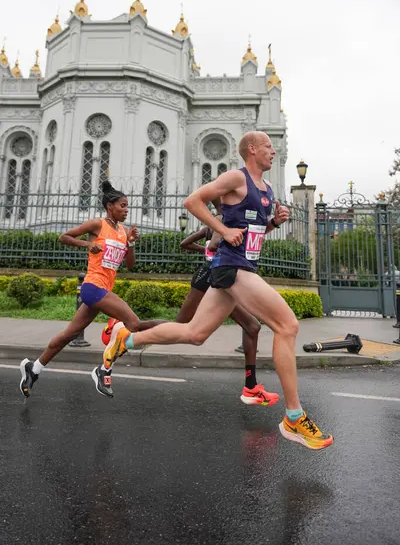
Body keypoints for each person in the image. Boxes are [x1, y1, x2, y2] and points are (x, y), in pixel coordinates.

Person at [96, 132, 333, 450]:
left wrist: (274, 222)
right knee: (287, 325)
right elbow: (192, 201)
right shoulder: (236, 177)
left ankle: (128, 338)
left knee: (194, 333)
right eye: (267, 147)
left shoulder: (267, 190)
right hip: (230, 267)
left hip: (240, 268)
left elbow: (252, 233)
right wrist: (221, 229)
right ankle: (294, 417)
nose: (273, 151)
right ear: (252, 150)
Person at [19, 180, 165, 399]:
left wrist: (131, 244)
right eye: (122, 206)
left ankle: (34, 368)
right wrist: (87, 244)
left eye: (128, 206)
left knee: (68, 335)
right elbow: (64, 237)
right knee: (133, 323)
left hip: (103, 291)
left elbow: (130, 265)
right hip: (92, 287)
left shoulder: (124, 231)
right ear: (110, 207)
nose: (126, 210)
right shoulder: (97, 225)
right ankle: (103, 369)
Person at [177, 198, 278, 406]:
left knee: (251, 326)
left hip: (221, 276)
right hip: (211, 276)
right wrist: (219, 243)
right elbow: (213, 244)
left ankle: (251, 385)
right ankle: (129, 332)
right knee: (180, 326)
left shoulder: (218, 221)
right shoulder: (222, 219)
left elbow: (187, 243)